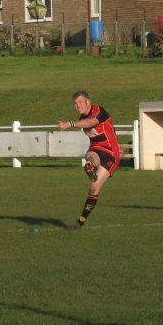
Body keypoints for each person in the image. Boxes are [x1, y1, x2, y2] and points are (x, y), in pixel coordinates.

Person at [58, 91, 119, 229]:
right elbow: (86, 124)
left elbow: (91, 122)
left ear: (88, 102)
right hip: (96, 149)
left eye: (80, 102)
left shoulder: (99, 111)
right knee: (89, 159)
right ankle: (90, 166)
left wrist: (70, 123)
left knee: (94, 187)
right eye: (75, 104)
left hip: (111, 152)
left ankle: (80, 221)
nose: (77, 106)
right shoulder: (81, 118)